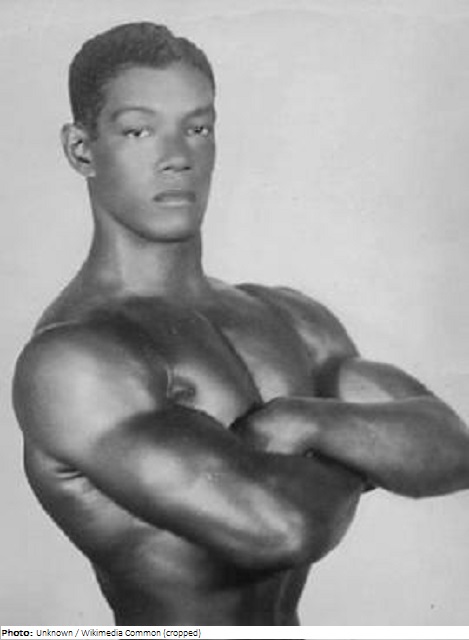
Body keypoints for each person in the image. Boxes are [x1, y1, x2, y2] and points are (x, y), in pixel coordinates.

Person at [12, 22, 469, 626]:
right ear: (81, 149)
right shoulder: (75, 358)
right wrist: (368, 450)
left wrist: (306, 419)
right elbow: (282, 529)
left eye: (197, 128)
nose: (177, 158)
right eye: (139, 131)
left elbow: (452, 446)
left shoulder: (287, 315)